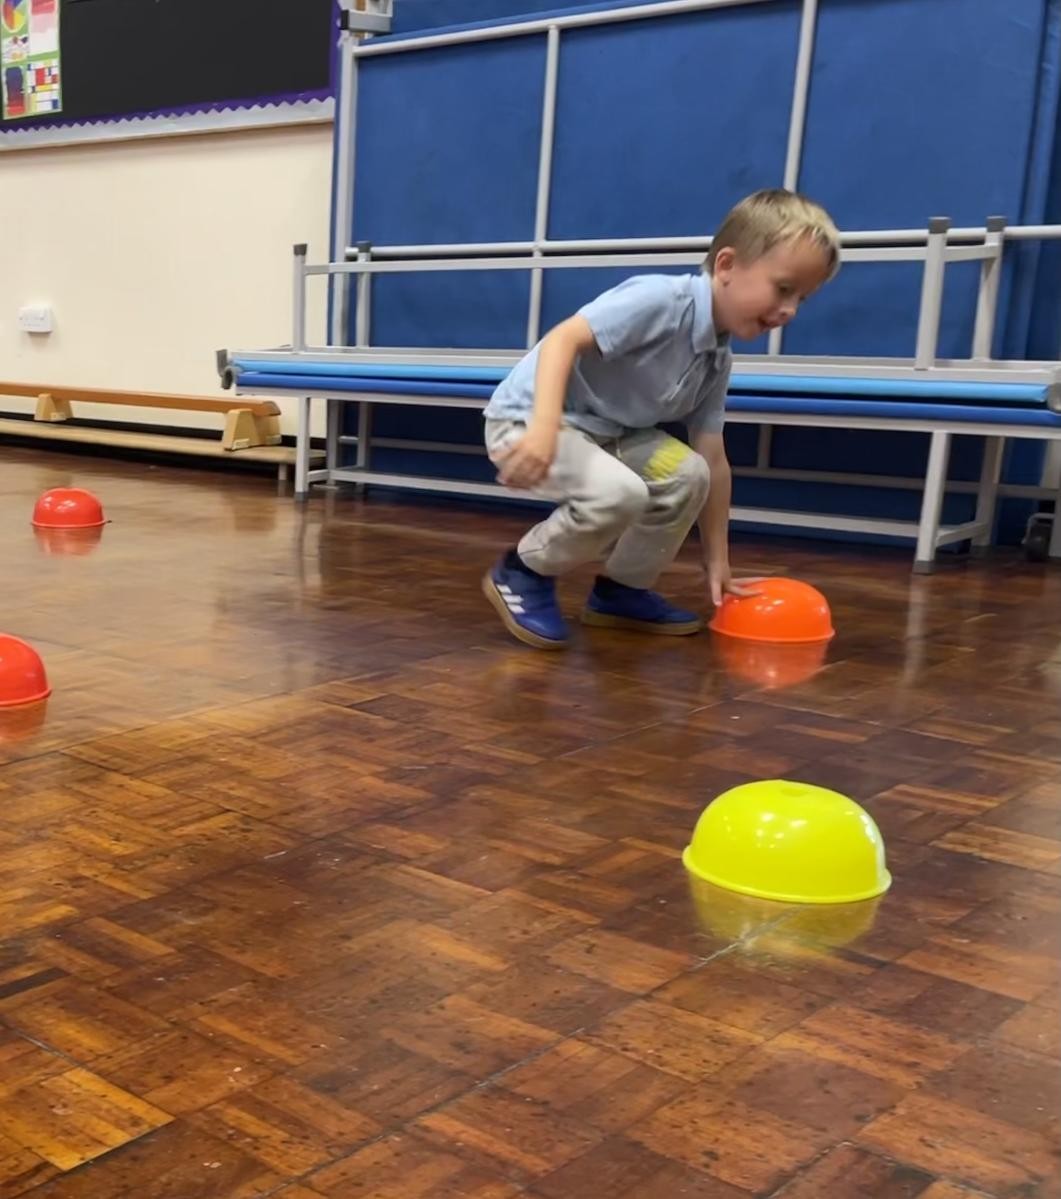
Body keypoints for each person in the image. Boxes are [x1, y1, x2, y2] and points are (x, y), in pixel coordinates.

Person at [481, 187, 841, 650]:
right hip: (531, 420)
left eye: (802, 299)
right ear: (727, 265)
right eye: (783, 288)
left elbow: (712, 460)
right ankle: (523, 572)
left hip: (609, 434)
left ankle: (621, 592)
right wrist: (544, 428)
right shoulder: (660, 300)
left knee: (688, 475)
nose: (790, 310)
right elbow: (561, 340)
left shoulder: (717, 357)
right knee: (620, 493)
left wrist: (718, 562)